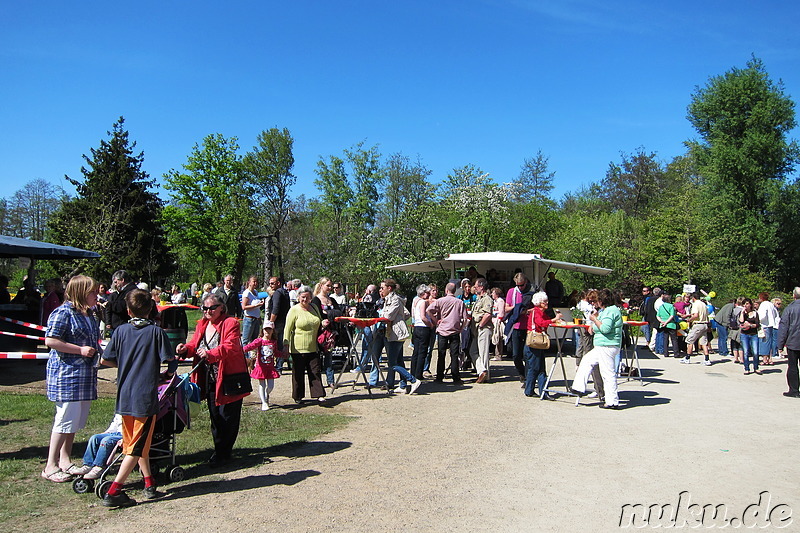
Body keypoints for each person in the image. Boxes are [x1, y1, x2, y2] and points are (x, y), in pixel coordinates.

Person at [99, 288, 175, 507]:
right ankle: (114, 491)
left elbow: (106, 360)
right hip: (144, 396)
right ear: (151, 309)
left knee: (137, 442)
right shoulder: (156, 332)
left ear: (128, 310)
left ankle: (149, 483)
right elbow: (170, 360)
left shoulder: (120, 331)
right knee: (136, 446)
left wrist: (124, 365)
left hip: (124, 395)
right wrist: (167, 374)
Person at [177, 293, 251, 467]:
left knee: (228, 416)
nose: (207, 311)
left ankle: (224, 453)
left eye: (212, 308)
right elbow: (195, 344)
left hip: (229, 377)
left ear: (221, 308)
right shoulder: (202, 324)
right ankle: (220, 452)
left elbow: (231, 346)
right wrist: (184, 349)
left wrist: (211, 354)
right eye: (205, 308)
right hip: (209, 378)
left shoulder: (230, 323)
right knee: (215, 416)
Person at [42, 275, 102, 483]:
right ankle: (50, 465)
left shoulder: (89, 314)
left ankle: (65, 460)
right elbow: (50, 340)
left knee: (75, 420)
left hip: (85, 375)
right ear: (81, 292)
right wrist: (80, 350)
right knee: (64, 418)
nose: (97, 295)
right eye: (93, 292)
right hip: (67, 374)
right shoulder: (62, 313)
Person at [571, 288, 623, 409]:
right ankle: (578, 388)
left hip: (607, 345)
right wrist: (594, 324)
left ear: (602, 300)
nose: (595, 303)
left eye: (596, 300)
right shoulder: (606, 311)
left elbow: (605, 328)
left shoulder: (611, 311)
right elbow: (599, 326)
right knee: (586, 361)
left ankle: (612, 401)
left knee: (607, 373)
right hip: (602, 345)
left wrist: (594, 320)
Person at [284, 286, 326, 403]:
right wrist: (286, 345)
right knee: (298, 373)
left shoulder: (314, 307)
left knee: (315, 371)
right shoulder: (294, 310)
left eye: (307, 297)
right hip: (298, 348)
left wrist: (323, 323)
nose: (305, 300)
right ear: (298, 298)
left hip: (313, 346)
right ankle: (298, 397)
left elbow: (319, 320)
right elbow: (287, 328)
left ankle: (319, 394)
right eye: (303, 297)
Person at [379, 279, 421, 394]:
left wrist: (383, 315)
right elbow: (406, 313)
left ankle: (413, 380)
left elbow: (389, 316)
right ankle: (403, 386)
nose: (381, 290)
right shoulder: (389, 299)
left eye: (383, 288)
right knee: (399, 360)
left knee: (392, 363)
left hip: (396, 334)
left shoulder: (395, 300)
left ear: (389, 288)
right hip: (392, 332)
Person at [427, 282, 468, 384]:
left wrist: (436, 320)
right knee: (454, 355)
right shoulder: (460, 302)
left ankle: (439, 377)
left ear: (446, 290)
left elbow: (428, 310)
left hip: (442, 330)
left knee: (441, 354)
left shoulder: (440, 301)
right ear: (455, 291)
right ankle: (456, 377)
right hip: (454, 331)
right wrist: (461, 328)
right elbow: (465, 318)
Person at [524, 292, 562, 399]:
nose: (547, 303)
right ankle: (536, 391)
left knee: (538, 367)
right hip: (535, 342)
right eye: (544, 301)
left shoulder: (539, 311)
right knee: (536, 367)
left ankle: (537, 390)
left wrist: (555, 320)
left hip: (537, 342)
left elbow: (545, 321)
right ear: (539, 303)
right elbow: (542, 323)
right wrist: (555, 319)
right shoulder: (536, 312)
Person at [312, 277, 347, 387]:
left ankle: (330, 380)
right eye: (328, 285)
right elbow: (317, 314)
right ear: (321, 286)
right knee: (317, 358)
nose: (330, 288)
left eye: (330, 286)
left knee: (329, 356)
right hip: (319, 331)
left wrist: (327, 313)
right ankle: (317, 383)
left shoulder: (332, 299)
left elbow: (339, 312)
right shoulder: (315, 300)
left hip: (330, 332)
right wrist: (329, 314)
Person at [243, 321, 282, 410]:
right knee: (262, 385)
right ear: (262, 330)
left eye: (269, 329)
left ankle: (266, 395)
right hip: (260, 368)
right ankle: (264, 402)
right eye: (265, 329)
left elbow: (275, 352)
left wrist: (283, 354)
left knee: (270, 386)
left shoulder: (274, 342)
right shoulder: (259, 341)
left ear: (273, 331)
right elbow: (251, 346)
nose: (267, 331)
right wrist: (241, 350)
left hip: (270, 367)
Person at [505, 273, 533, 382]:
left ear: (526, 282)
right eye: (518, 285)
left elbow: (536, 308)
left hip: (528, 327)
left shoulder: (531, 292)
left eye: (522, 285)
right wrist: (517, 308)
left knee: (527, 354)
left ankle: (527, 377)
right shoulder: (512, 292)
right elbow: (506, 308)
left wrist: (526, 311)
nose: (520, 287)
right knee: (515, 354)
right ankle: (521, 373)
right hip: (515, 326)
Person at [80, 414, 122, 481]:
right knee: (94, 438)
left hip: (126, 435)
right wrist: (107, 432)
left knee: (106, 441)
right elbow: (116, 422)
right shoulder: (122, 406)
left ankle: (100, 467)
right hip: (116, 433)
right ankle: (88, 465)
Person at [469, 278, 494, 383]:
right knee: (472, 351)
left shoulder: (487, 299)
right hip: (476, 329)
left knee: (483, 353)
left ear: (481, 287)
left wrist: (481, 325)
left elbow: (488, 314)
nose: (474, 288)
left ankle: (485, 376)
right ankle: (481, 370)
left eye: (476, 286)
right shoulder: (478, 299)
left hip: (484, 328)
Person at [777, 287, 800, 397]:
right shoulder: (789, 308)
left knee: (793, 367)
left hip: (793, 341)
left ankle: (794, 390)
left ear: (794, 296)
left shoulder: (789, 309)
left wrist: (780, 344)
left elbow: (784, 327)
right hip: (794, 340)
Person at [411, 284, 433, 381]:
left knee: (416, 352)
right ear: (423, 293)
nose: (429, 295)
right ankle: (418, 374)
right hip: (423, 328)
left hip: (416, 327)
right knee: (422, 352)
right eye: (427, 293)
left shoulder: (415, 301)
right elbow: (423, 317)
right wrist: (430, 324)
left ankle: (413, 372)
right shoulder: (423, 302)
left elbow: (414, 315)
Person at [681, 293, 711, 365]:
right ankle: (707, 359)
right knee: (704, 342)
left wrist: (690, 320)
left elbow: (696, 315)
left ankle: (687, 358)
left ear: (693, 298)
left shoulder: (695, 304)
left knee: (690, 340)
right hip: (705, 324)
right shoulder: (703, 304)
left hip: (698, 324)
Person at [738, 298, 762, 375]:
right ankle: (746, 368)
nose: (746, 305)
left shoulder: (755, 313)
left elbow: (757, 324)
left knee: (755, 352)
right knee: (746, 352)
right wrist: (742, 312)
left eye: (747, 304)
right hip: (744, 334)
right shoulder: (742, 313)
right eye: (744, 304)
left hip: (753, 334)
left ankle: (756, 367)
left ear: (750, 304)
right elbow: (741, 321)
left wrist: (750, 325)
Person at [757, 292, 779, 366]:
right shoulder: (771, 304)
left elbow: (762, 316)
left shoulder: (763, 305)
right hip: (771, 325)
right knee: (770, 342)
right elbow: (775, 314)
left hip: (764, 325)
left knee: (764, 342)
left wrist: (757, 320)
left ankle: (764, 359)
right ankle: (770, 358)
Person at [240, 275, 263, 347]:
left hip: (256, 318)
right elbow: (244, 307)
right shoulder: (246, 293)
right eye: (254, 281)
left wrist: (259, 318)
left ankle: (252, 356)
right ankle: (243, 356)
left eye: (257, 282)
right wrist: (255, 306)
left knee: (254, 340)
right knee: (246, 340)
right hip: (249, 319)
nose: (255, 283)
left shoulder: (256, 292)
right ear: (249, 282)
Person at [656, 292, 680, 358]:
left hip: (663, 324)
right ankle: (676, 353)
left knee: (665, 339)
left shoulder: (661, 307)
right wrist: (667, 322)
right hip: (671, 324)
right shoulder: (671, 306)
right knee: (674, 339)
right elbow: (672, 315)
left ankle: (665, 353)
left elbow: (657, 316)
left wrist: (662, 322)